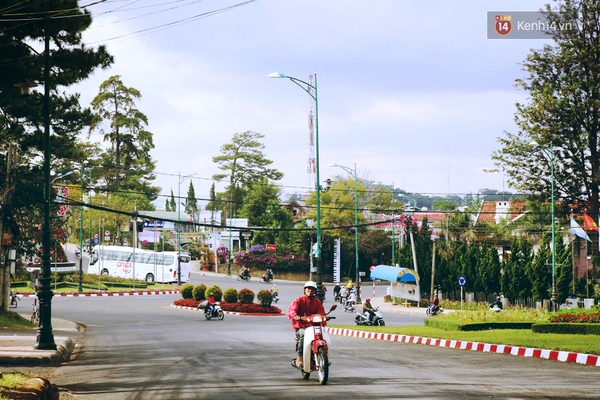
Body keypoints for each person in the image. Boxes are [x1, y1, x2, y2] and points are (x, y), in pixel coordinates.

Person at [287, 281, 326, 368]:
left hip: (314, 327)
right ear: (304, 290)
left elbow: (321, 313)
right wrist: (295, 316)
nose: (310, 291)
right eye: (308, 289)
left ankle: (325, 358)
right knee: (303, 334)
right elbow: (292, 310)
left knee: (324, 334)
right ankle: (300, 356)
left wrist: (324, 318)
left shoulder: (317, 302)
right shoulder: (299, 300)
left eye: (312, 289)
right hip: (301, 327)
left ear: (315, 291)